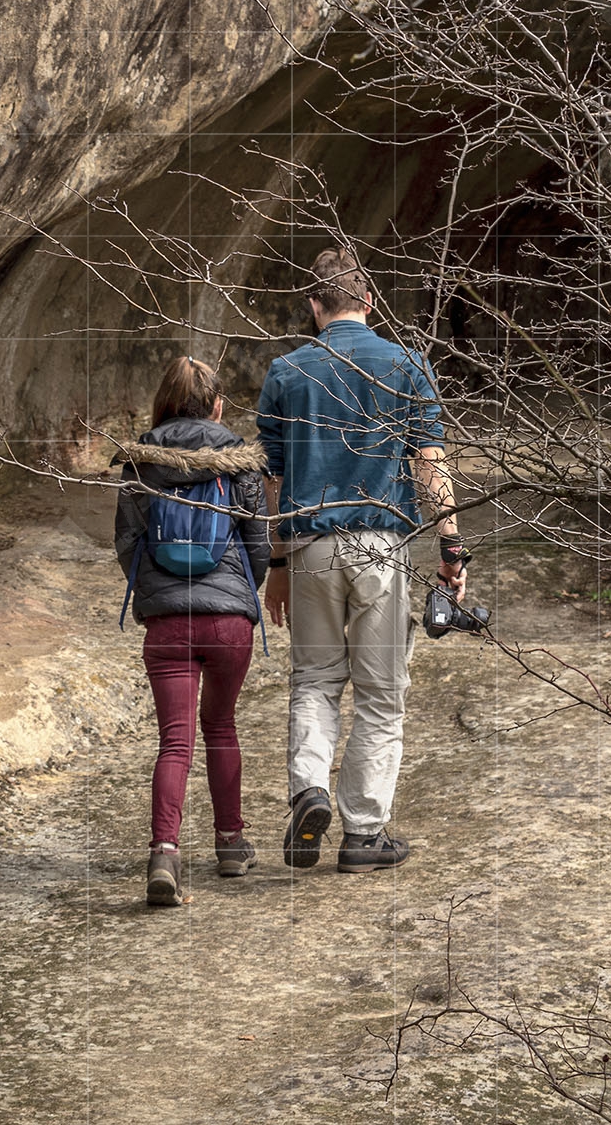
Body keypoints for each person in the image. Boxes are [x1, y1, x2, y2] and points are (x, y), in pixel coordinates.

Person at [257, 246, 466, 874]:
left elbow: (271, 480)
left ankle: (309, 792)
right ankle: (362, 835)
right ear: (369, 303)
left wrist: (277, 565)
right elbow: (429, 465)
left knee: (316, 681)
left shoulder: (286, 373)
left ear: (315, 306)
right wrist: (451, 548)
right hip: (383, 545)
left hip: (311, 548)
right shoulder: (405, 365)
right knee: (380, 694)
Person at [115, 356, 272, 907]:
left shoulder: (142, 462)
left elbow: (127, 543)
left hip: (166, 624)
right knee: (221, 725)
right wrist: (239, 596)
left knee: (175, 740)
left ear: (163, 402)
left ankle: (165, 853)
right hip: (229, 622)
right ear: (218, 406)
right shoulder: (239, 462)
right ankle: (230, 845)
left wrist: (158, 591)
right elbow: (258, 549)